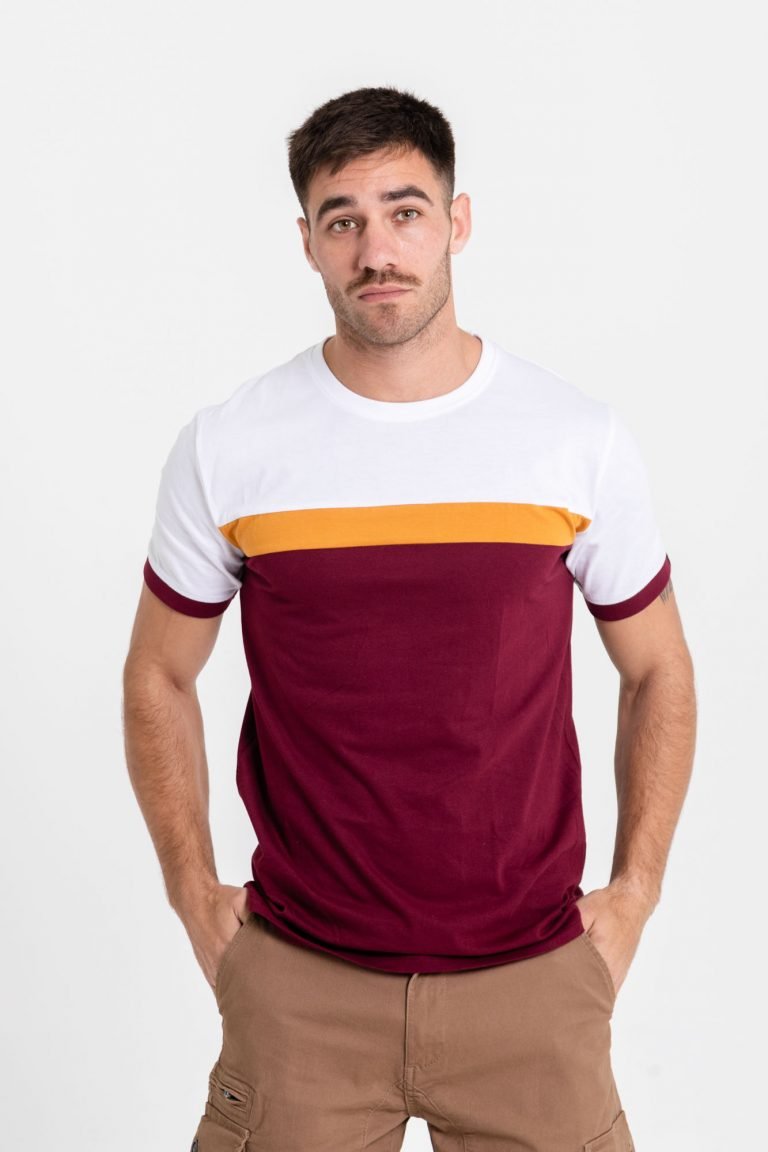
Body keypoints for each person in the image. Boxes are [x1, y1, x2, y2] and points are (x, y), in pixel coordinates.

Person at [122, 85, 696, 1152]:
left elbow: (658, 666)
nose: (377, 250)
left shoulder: (574, 439)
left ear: (457, 222)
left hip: (532, 985)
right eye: (342, 220)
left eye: (405, 211)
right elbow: (158, 671)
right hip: (303, 988)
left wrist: (634, 896)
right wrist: (193, 894)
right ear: (306, 242)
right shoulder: (231, 445)